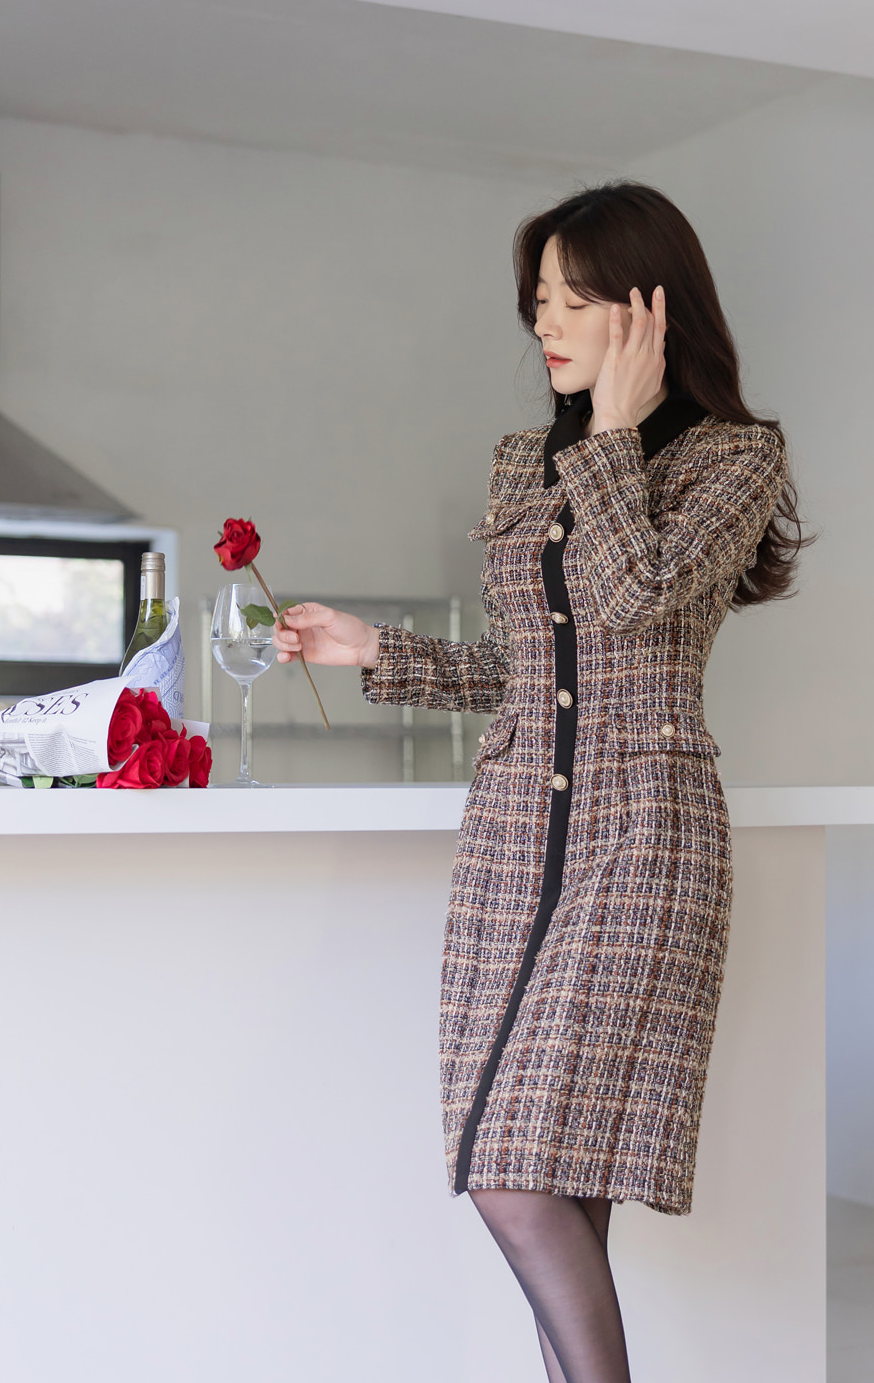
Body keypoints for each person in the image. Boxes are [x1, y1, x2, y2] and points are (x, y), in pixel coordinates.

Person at [272, 181, 807, 1383]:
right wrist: (380, 653)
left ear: (647, 309)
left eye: (572, 298)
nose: (546, 326)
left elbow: (640, 605)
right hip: (515, 842)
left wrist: (616, 440)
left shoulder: (736, 456)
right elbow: (535, 670)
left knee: (517, 1177)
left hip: (645, 840)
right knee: (537, 1174)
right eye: (537, 303)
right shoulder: (525, 459)